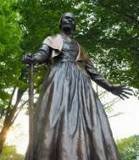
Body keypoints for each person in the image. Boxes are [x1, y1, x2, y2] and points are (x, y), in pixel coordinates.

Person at [23, 12, 132, 160]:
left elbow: (93, 72)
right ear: (61, 22)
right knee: (54, 118)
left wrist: (111, 87)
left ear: (74, 26)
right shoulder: (52, 39)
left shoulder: (80, 48)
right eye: (66, 18)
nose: (69, 20)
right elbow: (42, 54)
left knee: (90, 122)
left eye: (72, 20)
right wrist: (33, 58)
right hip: (59, 80)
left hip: (82, 86)